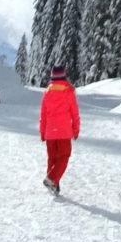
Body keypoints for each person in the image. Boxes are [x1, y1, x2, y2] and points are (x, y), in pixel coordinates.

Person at [39, 63, 79, 193]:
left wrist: (42, 131)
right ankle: (52, 179)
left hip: (50, 132)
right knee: (64, 156)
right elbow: (75, 113)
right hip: (64, 132)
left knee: (52, 158)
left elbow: (43, 114)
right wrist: (76, 129)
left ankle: (54, 184)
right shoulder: (69, 92)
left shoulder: (47, 92)